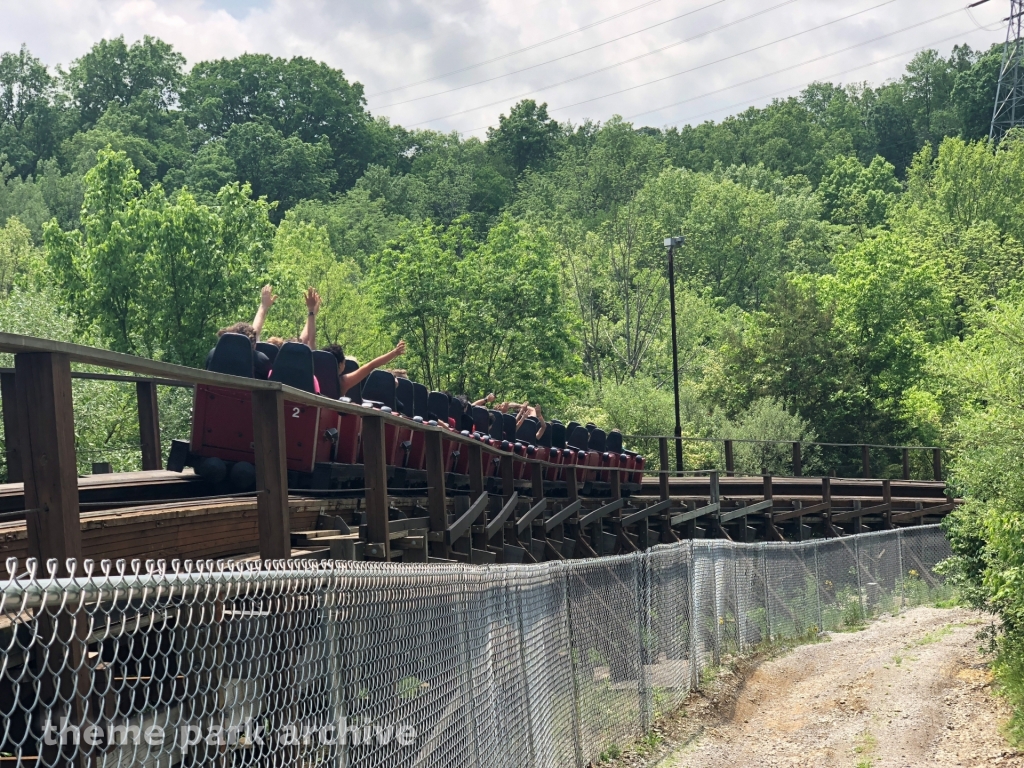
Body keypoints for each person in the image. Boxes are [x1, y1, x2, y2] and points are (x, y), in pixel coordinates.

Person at [324, 341, 407, 396]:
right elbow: (371, 365)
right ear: (340, 365)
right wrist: (394, 353)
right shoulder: (342, 383)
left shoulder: (313, 375)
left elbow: (311, 341)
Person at [206, 322, 272, 379]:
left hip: (211, 392)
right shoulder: (261, 360)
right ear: (253, 344)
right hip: (246, 393)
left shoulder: (213, 353)